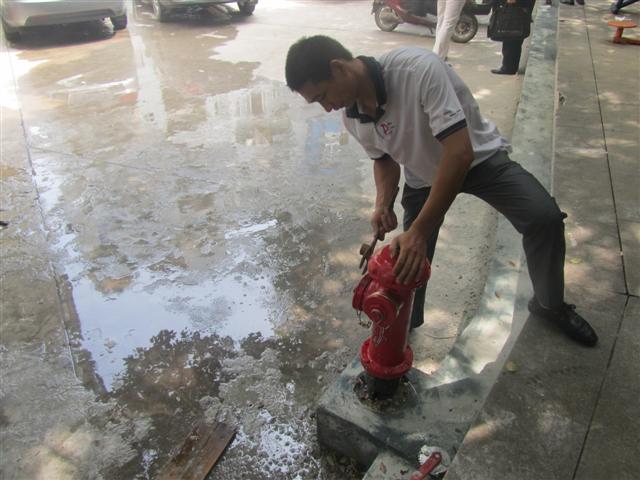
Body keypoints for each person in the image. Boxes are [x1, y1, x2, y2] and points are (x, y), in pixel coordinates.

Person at [284, 35, 599, 347]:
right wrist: (383, 203)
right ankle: (403, 324)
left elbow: (459, 153)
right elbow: (383, 160)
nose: (327, 108)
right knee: (405, 261)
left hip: (479, 161)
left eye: (323, 96)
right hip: (423, 177)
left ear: (338, 68)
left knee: (544, 218)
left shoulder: (418, 69)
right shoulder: (352, 117)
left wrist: (420, 231)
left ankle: (549, 305)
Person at [490, 0, 536, 75]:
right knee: (511, 41)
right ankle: (509, 67)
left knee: (511, 41)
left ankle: (509, 68)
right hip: (517, 13)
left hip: (516, 15)